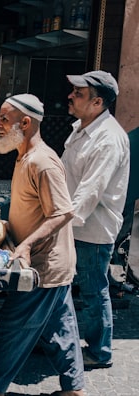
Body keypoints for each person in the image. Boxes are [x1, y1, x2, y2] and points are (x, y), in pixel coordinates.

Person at [0, 94, 85, 396]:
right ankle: (73, 391)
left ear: (25, 123)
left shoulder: (42, 162)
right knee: (60, 330)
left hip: (42, 266)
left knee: (13, 326)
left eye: (4, 119)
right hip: (48, 265)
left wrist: (27, 245)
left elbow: (63, 212)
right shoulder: (24, 156)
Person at [61, 70, 130, 370]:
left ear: (97, 102)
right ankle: (55, 339)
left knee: (92, 291)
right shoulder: (81, 128)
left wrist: (57, 224)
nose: (71, 96)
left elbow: (90, 191)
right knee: (61, 287)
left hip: (91, 230)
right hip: (71, 224)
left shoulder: (109, 139)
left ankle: (99, 353)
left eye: (79, 93)